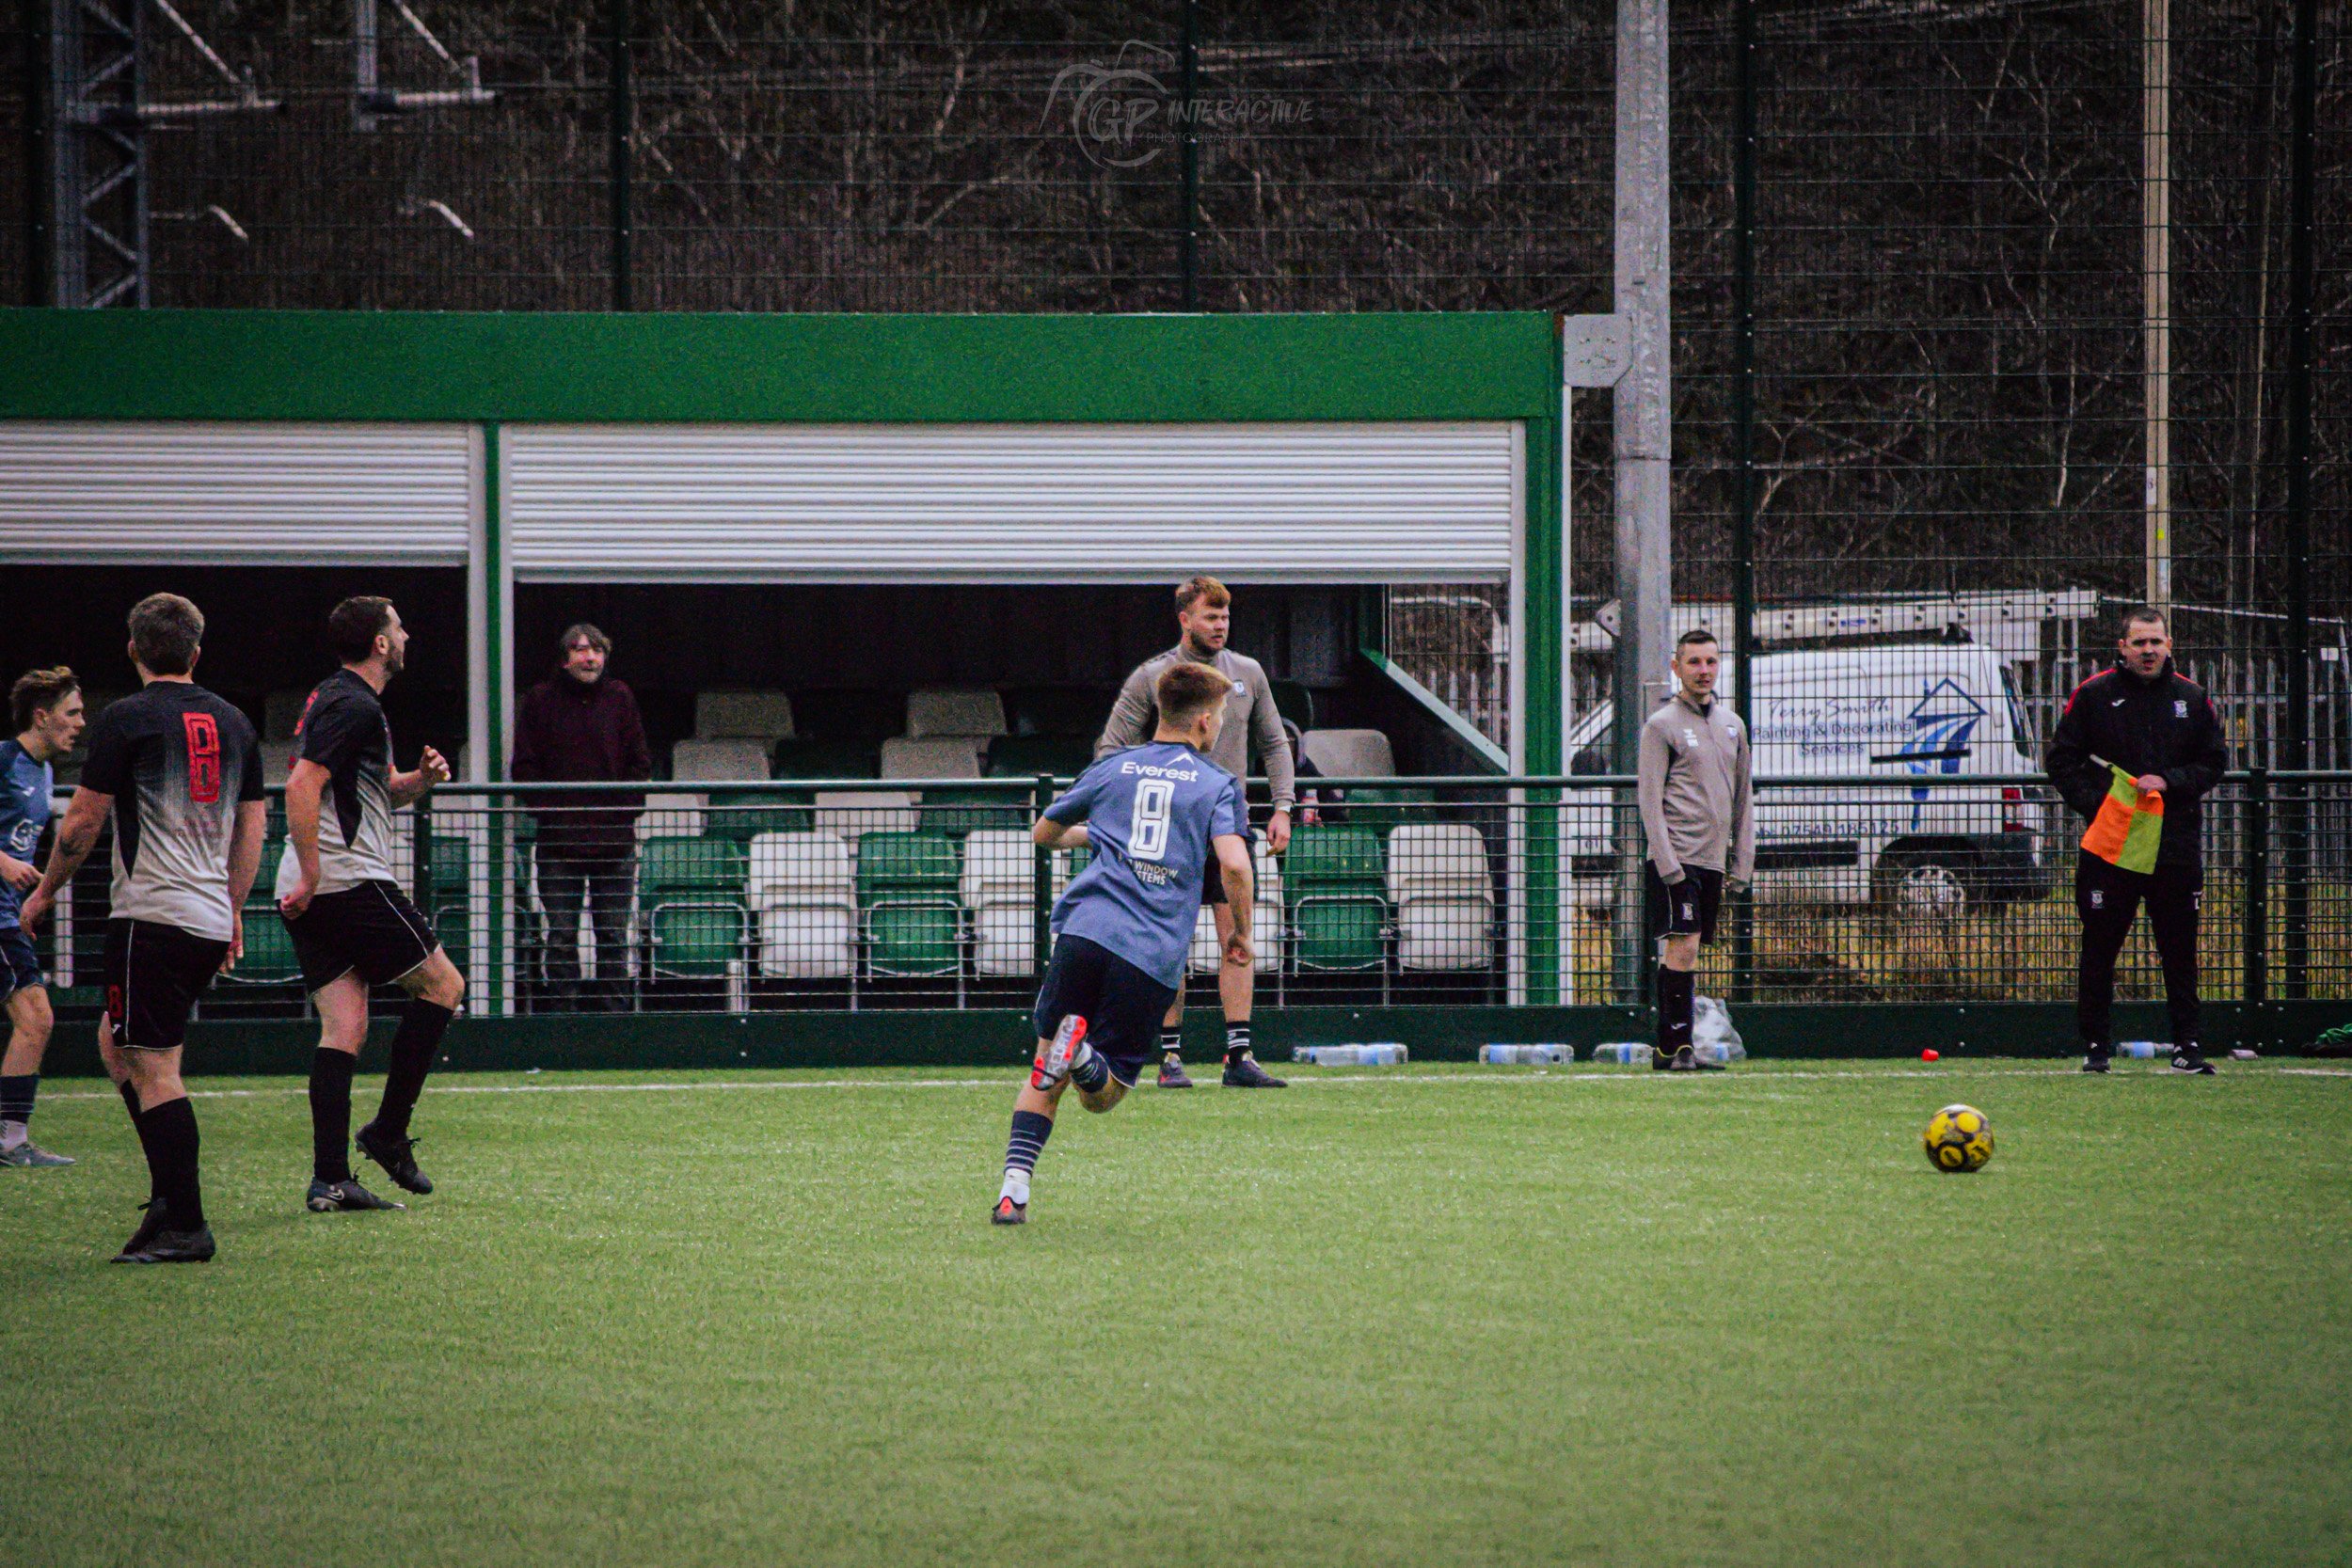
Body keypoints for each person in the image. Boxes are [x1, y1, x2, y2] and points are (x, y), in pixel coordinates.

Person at [20, 595, 266, 1262]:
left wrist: (44, 891)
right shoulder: (237, 721)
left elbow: (81, 824)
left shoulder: (127, 718)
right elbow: (253, 828)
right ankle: (169, 1193)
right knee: (115, 1043)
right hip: (207, 917)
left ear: (134, 650)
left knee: (154, 1067)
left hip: (151, 917)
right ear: (196, 651)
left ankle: (186, 1221)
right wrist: (234, 908)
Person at [994, 660, 1252, 1225]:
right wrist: (1242, 932)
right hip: (1149, 950)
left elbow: (1044, 833)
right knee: (1101, 1095)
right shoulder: (1217, 784)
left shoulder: (1115, 766)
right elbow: (1233, 861)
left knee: (1043, 1071)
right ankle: (1084, 1055)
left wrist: (1105, 835)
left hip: (1085, 930)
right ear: (1205, 723)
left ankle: (1013, 1191)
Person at [278, 596, 466, 1212]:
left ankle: (330, 1177)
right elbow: (301, 785)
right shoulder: (353, 703)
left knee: (346, 1026)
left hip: (318, 881)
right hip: (344, 879)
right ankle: (387, 1134)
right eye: (399, 625)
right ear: (382, 643)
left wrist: (422, 781)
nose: (407, 632)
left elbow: (379, 790)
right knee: (444, 986)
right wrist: (312, 874)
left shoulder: (342, 700)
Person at [1096, 576, 1295, 1089]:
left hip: (1228, 826)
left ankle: (1239, 1057)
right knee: (1171, 943)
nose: (1221, 626)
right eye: (1211, 616)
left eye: (1226, 617)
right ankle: (1169, 1059)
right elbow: (1110, 750)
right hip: (1171, 833)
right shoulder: (1153, 676)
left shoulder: (1248, 673)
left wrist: (1283, 807)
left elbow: (1274, 743)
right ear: (1185, 619)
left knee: (1238, 937)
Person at [2046, 605, 2228, 1074]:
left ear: (2170, 645)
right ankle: (2095, 1048)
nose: (2148, 651)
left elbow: (2214, 763)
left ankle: (2187, 1047)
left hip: (2174, 849)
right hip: (2111, 848)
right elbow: (2061, 761)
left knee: (2179, 950)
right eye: (2139, 643)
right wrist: (2103, 805)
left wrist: (2169, 781)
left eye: (2156, 642)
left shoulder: (2193, 698)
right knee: (2100, 948)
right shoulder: (2092, 696)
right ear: (2121, 648)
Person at [511, 624, 650, 1012]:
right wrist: (552, 816)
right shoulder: (540, 701)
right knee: (561, 937)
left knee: (612, 937)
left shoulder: (621, 697)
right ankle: (562, 1023)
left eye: (597, 651)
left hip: (615, 843)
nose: (590, 658)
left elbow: (640, 764)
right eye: (580, 650)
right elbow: (524, 767)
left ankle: (613, 1024)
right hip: (558, 845)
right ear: (564, 658)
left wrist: (623, 813)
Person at [1637, 628, 1755, 1072]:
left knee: (1692, 949)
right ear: (1676, 668)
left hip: (1711, 861)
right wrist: (1667, 865)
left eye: (1710, 661)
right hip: (1678, 857)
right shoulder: (1661, 725)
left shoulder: (1732, 725)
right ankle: (1673, 1048)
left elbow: (1744, 796)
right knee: (1681, 947)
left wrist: (1741, 861)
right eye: (1694, 663)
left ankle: (1678, 1048)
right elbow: (1649, 799)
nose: (1703, 671)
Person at [0, 668, 86, 1167]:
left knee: (33, 1020)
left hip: (8, 918)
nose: (80, 723)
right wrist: (4, 862)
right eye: (72, 713)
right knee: (36, 1019)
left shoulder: (45, 772)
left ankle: (11, 1139)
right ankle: (10, 1142)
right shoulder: (5, 759)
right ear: (41, 715)